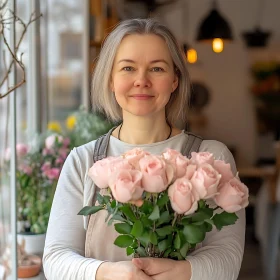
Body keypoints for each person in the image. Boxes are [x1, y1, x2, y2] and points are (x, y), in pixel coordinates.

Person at [43, 18, 245, 280]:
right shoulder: (83, 161)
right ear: (110, 80)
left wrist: (183, 272)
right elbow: (56, 258)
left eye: (157, 69)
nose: (142, 80)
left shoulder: (210, 159)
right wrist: (110, 273)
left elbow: (228, 255)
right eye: (128, 68)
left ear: (175, 80)